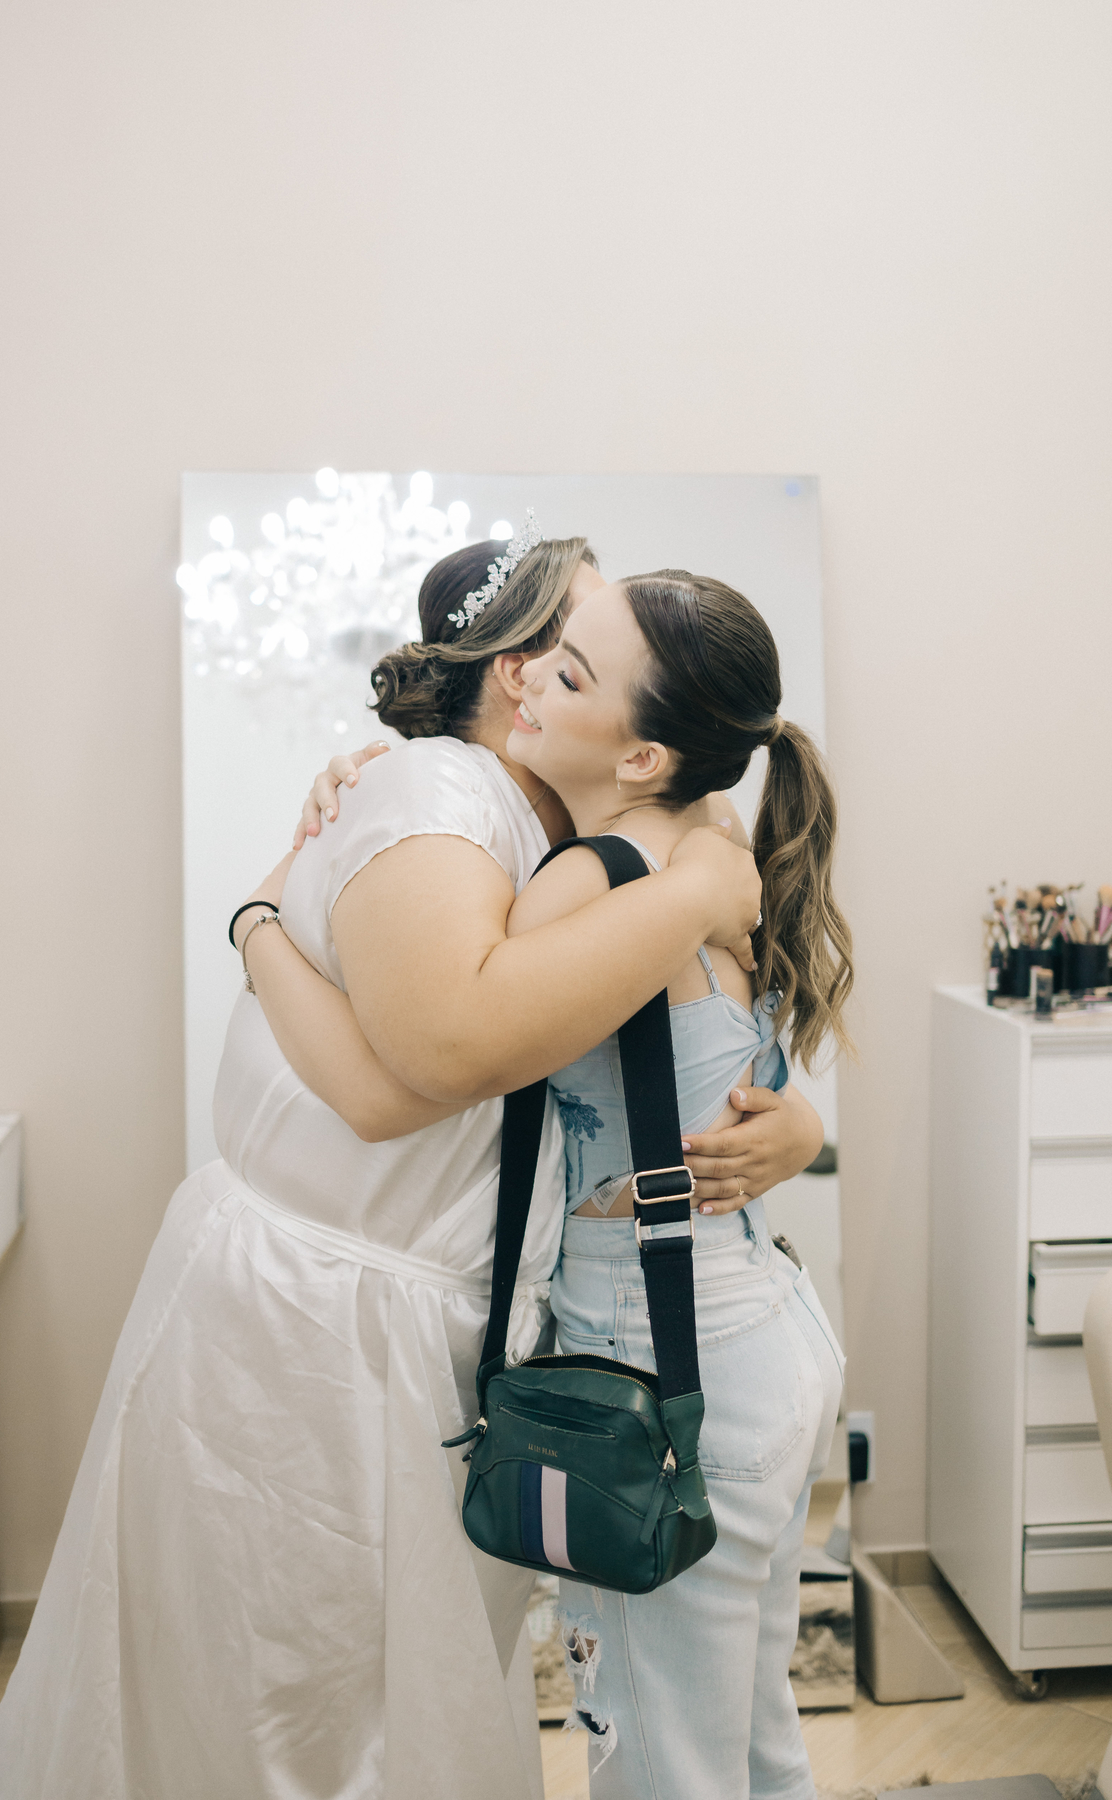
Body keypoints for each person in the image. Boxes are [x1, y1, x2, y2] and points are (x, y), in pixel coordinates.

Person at [0, 531, 785, 1800]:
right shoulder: (436, 797)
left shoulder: (583, 833)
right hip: (314, 1328)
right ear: (519, 672)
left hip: (435, 1320)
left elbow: (697, 1046)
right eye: (579, 645)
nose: (589, 660)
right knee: (290, 1697)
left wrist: (787, 1128)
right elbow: (419, 1071)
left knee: (381, 1693)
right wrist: (255, 922)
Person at [244, 568, 851, 1798]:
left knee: (658, 1760)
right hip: (767, 1327)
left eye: (569, 672)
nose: (529, 680)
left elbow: (429, 1055)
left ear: (641, 755)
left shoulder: (587, 879)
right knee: (755, 1739)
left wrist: (264, 918)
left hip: (660, 1363)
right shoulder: (709, 835)